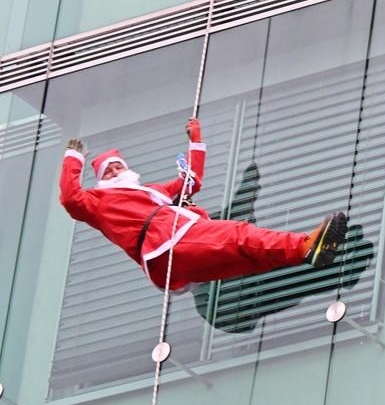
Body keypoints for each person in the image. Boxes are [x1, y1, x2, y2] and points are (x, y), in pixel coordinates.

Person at [60, 117, 348, 293]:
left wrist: (196, 142)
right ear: (99, 180)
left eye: (116, 167)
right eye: (106, 172)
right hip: (168, 241)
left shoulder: (152, 192)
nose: (113, 172)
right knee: (239, 235)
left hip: (172, 255)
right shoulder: (97, 201)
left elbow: (191, 181)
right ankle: (303, 244)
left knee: (245, 257)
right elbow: (70, 198)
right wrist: (74, 158)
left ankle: (305, 253)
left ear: (126, 168)